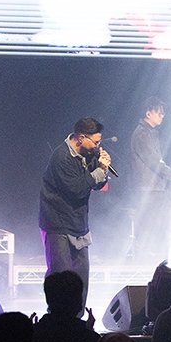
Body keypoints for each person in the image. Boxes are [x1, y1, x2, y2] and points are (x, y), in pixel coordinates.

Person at [38, 116, 111, 310]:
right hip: (57, 224)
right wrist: (99, 171)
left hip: (78, 224)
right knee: (60, 277)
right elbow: (77, 189)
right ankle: (57, 318)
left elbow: (97, 185)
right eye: (95, 142)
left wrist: (103, 169)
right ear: (80, 138)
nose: (97, 146)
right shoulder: (61, 157)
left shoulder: (89, 153)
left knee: (81, 278)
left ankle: (77, 318)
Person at [130, 97, 171, 256]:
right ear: (148, 113)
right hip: (148, 186)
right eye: (159, 113)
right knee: (152, 223)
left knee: (159, 222)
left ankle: (158, 252)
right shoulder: (142, 134)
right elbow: (153, 161)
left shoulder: (151, 133)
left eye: (163, 113)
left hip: (155, 186)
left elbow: (158, 160)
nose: (162, 116)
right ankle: (148, 255)